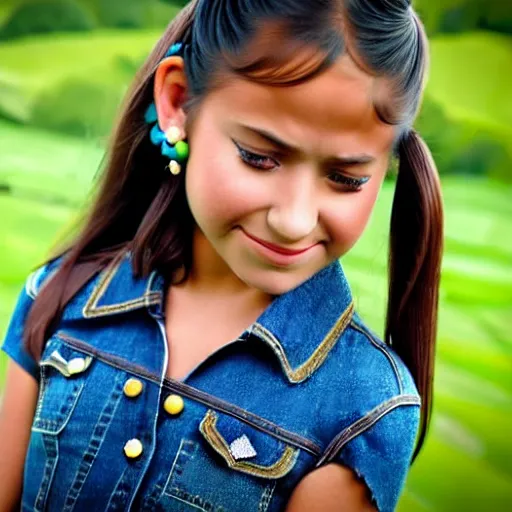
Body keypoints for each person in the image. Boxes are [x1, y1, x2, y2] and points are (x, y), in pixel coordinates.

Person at [0, 0, 443, 510]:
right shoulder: (60, 297)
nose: (294, 219)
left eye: (346, 179)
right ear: (178, 101)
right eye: (259, 157)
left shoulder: (360, 409)